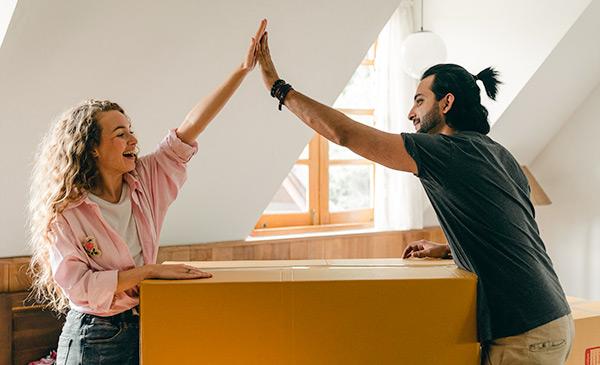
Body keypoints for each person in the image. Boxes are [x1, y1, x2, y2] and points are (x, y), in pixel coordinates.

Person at [256, 28, 574, 365]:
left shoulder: (444, 151)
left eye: (420, 100)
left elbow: (345, 133)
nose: (411, 112)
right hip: (552, 317)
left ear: (447, 102)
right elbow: (511, 233)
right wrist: (448, 249)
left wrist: (277, 87)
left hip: (524, 332)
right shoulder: (498, 153)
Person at [27, 19, 267, 365]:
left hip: (145, 322)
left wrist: (242, 71)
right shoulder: (66, 212)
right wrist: (149, 272)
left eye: (131, 130)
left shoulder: (147, 180)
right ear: (92, 147)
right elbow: (80, 288)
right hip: (94, 335)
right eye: (120, 134)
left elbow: (190, 127)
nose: (134, 140)